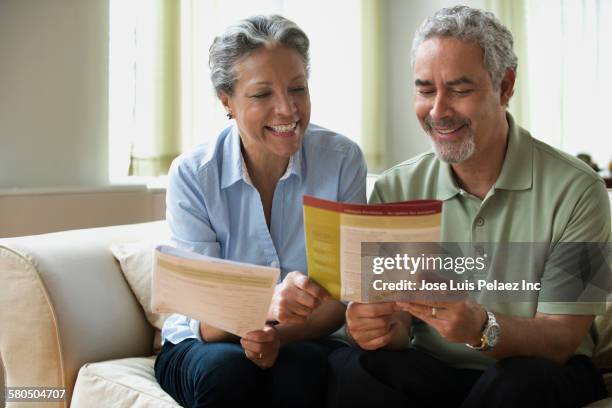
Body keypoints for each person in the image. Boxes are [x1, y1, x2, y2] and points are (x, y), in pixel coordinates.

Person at [328, 5, 610, 408]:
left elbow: (563, 337)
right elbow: (398, 316)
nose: (438, 110)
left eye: (459, 90)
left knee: (518, 383)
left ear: (506, 86)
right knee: (354, 366)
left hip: (540, 369)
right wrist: (384, 327)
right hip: (436, 368)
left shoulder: (579, 190)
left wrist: (483, 328)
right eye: (426, 90)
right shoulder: (396, 188)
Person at [154, 15, 367, 408]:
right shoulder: (193, 174)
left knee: (304, 368)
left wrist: (277, 334)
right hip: (205, 338)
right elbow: (203, 317)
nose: (287, 110)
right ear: (227, 102)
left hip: (301, 336)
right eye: (261, 95)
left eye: (297, 88)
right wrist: (262, 308)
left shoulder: (341, 160)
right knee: (227, 372)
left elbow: (339, 300)